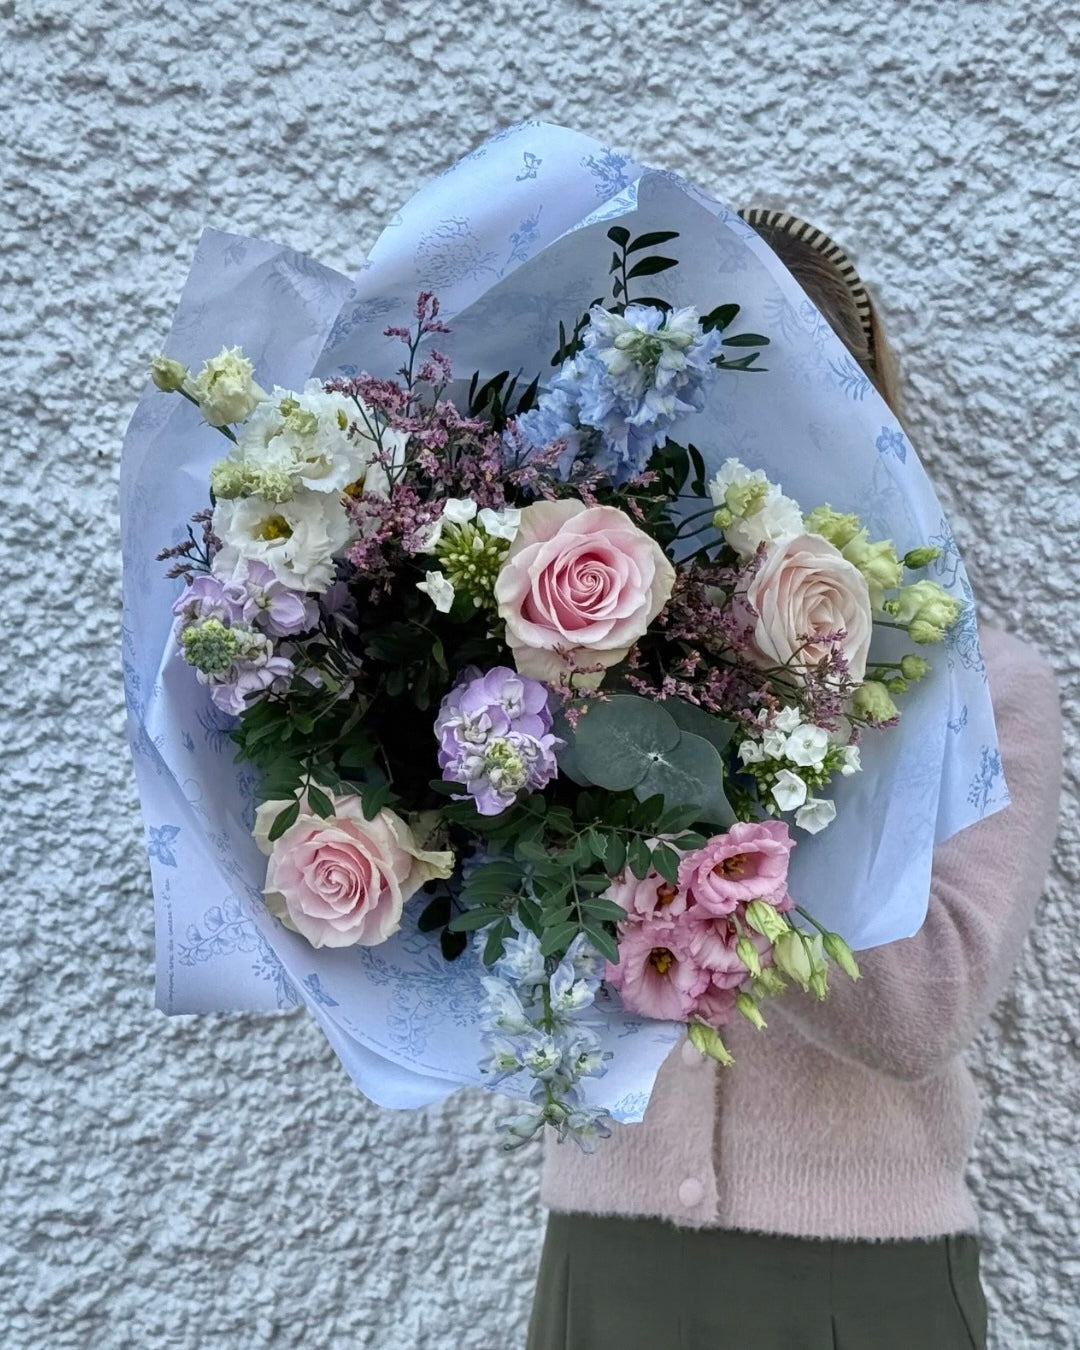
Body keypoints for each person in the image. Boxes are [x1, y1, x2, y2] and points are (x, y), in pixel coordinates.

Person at [525, 209, 1064, 1350]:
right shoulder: (575, 655)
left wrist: (720, 797)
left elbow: (927, 1011)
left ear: (866, 413)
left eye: (798, 402)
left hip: (860, 1286)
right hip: (607, 1258)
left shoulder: (983, 695)